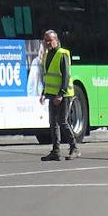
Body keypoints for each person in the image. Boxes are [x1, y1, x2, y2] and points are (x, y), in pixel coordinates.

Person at [39, 30, 79, 162]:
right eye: (45, 40)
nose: (47, 43)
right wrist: (44, 93)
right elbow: (48, 76)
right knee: (53, 123)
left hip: (64, 95)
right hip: (52, 95)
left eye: (50, 40)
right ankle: (56, 151)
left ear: (56, 40)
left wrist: (61, 94)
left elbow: (66, 76)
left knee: (63, 121)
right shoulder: (47, 55)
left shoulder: (62, 54)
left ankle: (74, 148)